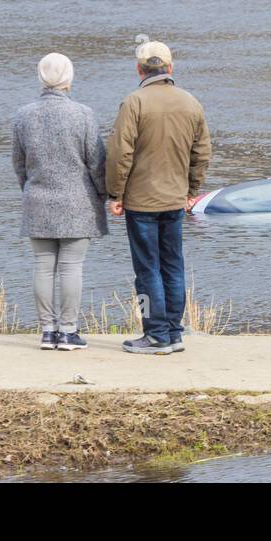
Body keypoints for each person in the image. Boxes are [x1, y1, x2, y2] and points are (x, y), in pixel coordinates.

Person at [106, 41, 211, 355]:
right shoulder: (191, 103)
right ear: (170, 68)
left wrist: (116, 193)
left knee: (147, 270)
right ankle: (174, 333)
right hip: (175, 201)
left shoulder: (133, 103)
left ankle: (155, 335)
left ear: (139, 69)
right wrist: (191, 191)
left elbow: (119, 154)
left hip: (141, 202)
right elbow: (202, 153)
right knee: (173, 266)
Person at [11, 53, 108, 351]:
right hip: (77, 201)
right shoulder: (83, 114)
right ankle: (68, 331)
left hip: (37, 199)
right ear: (69, 78)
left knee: (42, 266)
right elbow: (97, 162)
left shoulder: (24, 115)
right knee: (71, 268)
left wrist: (28, 189)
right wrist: (103, 194)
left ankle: (46, 330)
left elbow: (18, 163)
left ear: (41, 77)